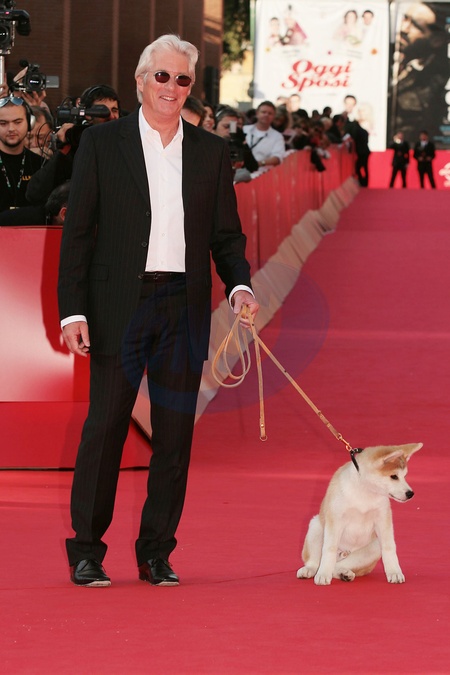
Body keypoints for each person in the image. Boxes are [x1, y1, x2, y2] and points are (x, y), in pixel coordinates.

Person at [58, 34, 259, 588]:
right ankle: (86, 550)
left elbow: (226, 236)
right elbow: (78, 234)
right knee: (105, 428)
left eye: (182, 79)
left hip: (182, 307)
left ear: (191, 88)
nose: (172, 87)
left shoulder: (212, 152)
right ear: (142, 80)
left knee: (174, 436)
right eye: (162, 76)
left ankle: (156, 552)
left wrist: (239, 286)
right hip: (117, 305)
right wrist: (73, 312)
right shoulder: (102, 143)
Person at [26, 84, 120, 206]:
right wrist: (65, 149)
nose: (111, 116)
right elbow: (35, 193)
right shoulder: (76, 142)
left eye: (114, 110)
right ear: (87, 115)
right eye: (102, 111)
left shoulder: (126, 144)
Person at [392, 2, 448, 141]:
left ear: (436, 40)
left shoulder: (434, 84)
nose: (403, 29)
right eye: (405, 18)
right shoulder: (385, 57)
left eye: (416, 25)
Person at [0, 95, 42, 213]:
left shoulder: (41, 164)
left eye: (17, 122)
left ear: (30, 123)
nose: (11, 128)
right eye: (3, 123)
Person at [243, 100, 285, 170]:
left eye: (270, 113)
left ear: (274, 116)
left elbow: (277, 158)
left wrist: (258, 164)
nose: (266, 115)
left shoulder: (278, 136)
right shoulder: (244, 129)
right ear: (257, 113)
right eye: (263, 112)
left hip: (262, 172)